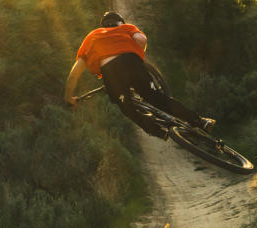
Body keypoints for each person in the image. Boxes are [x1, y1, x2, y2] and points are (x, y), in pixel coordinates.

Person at [64, 11, 211, 139]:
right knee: (157, 98)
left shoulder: (92, 36)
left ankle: (158, 131)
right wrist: (136, 53)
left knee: (127, 107)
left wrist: (69, 98)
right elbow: (142, 40)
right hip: (131, 62)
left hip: (110, 72)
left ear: (103, 26)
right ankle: (200, 121)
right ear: (120, 22)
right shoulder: (126, 27)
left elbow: (73, 75)